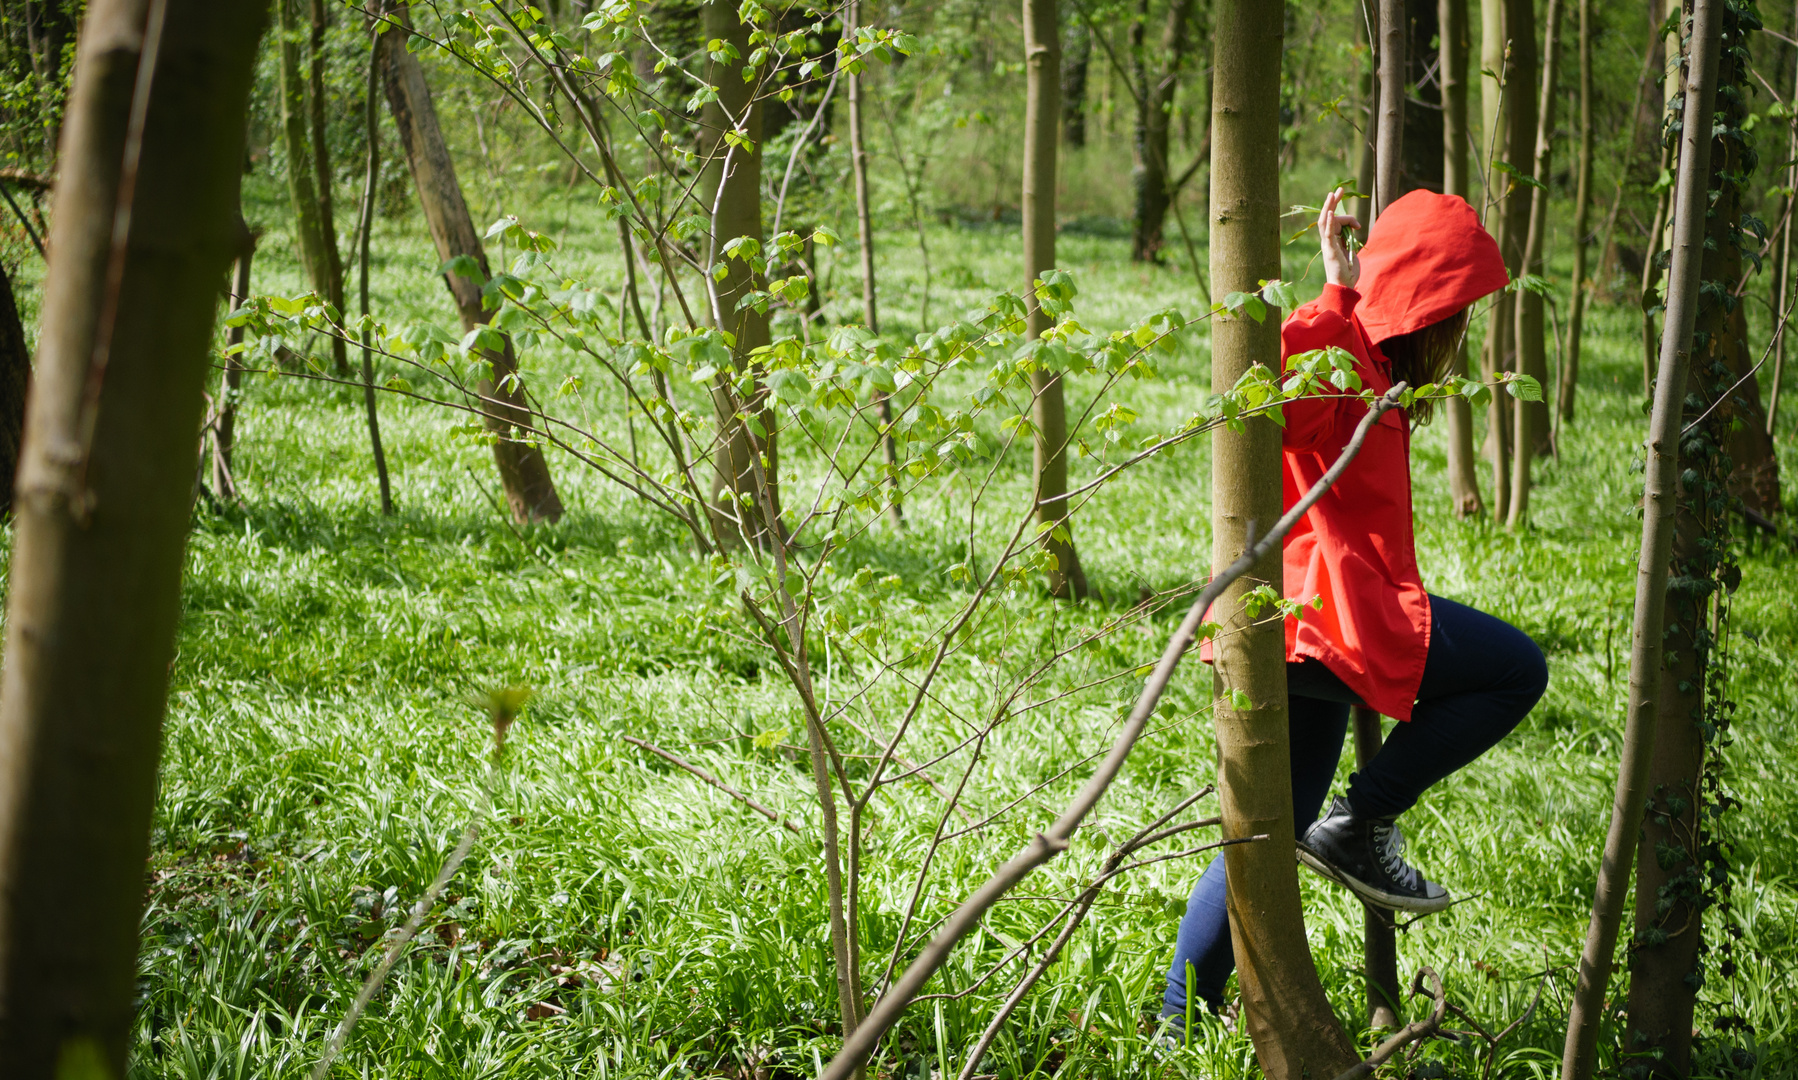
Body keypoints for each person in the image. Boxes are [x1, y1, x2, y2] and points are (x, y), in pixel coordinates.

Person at [1161, 188, 1549, 1025]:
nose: (1462, 331)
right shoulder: (1346, 351)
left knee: (1270, 825)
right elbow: (1275, 403)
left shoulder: (1377, 371)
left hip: (1304, 624)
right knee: (1518, 668)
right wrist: (1336, 294)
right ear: (1430, 307)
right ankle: (1361, 818)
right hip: (1329, 620)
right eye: (1458, 309)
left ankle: (1178, 1016)